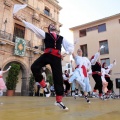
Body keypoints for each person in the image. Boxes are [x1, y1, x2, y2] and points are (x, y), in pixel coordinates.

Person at [14, 14, 74, 110]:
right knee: (34, 67)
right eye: (51, 25)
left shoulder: (61, 38)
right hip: (47, 55)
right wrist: (22, 20)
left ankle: (59, 101)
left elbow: (70, 46)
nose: (53, 25)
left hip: (57, 58)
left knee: (58, 78)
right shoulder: (45, 34)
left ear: (56, 29)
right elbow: (33, 28)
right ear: (49, 29)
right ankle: (44, 85)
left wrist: (65, 53)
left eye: (54, 25)